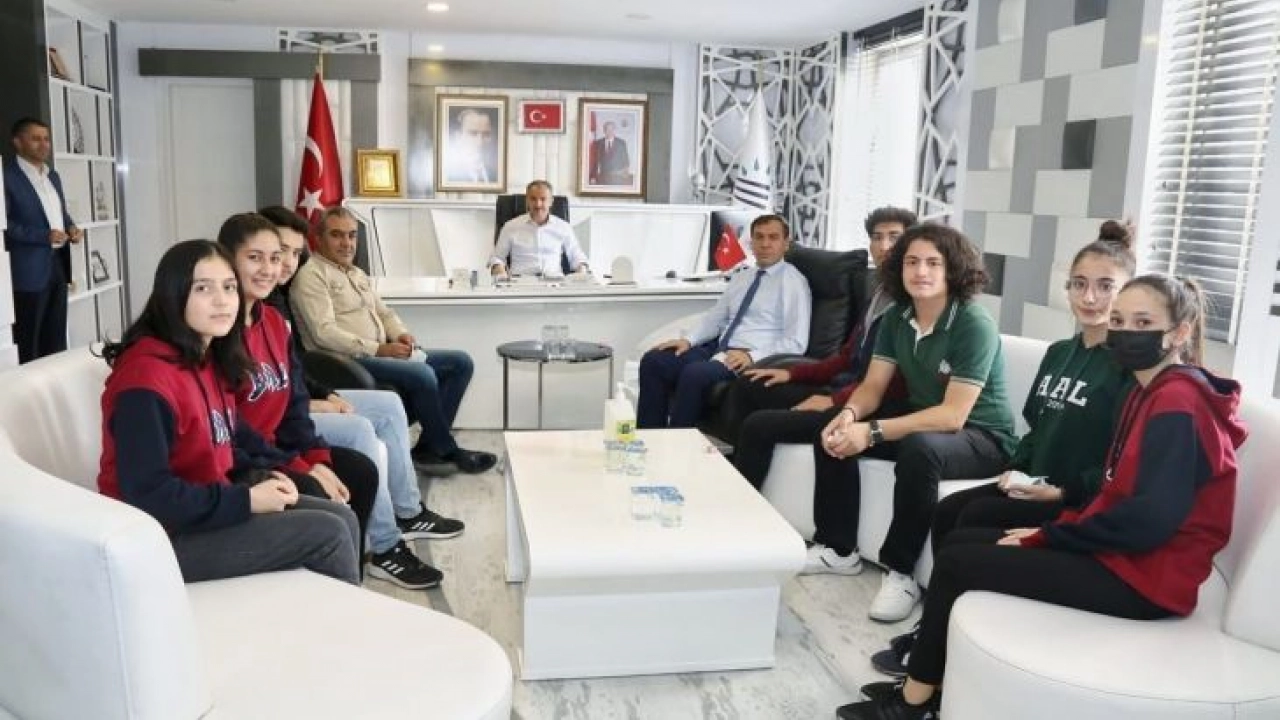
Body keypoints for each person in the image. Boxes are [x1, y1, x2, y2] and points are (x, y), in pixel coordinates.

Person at [839, 274, 1247, 720]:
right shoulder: (1149, 389)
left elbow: (1149, 521)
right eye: (1119, 321)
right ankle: (931, 684)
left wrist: (1050, 534)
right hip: (1122, 552)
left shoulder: (1178, 402)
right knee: (960, 538)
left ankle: (912, 706)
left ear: (1180, 332)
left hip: (1145, 578)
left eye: (1143, 322)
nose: (1126, 332)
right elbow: (1118, 487)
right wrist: (1058, 522)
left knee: (958, 561)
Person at [869, 219, 1137, 678]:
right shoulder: (1059, 353)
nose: (1090, 297)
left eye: (1105, 286)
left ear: (1127, 292)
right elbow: (1036, 429)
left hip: (1072, 498)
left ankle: (940, 641)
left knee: (970, 521)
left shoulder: (1128, 368)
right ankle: (940, 626)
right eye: (1079, 284)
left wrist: (1064, 491)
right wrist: (1015, 470)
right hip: (1034, 482)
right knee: (949, 511)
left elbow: (1124, 457)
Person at [97, 239, 359, 584]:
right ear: (173, 295)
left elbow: (235, 435)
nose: (222, 301)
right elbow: (149, 494)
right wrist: (246, 500)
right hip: (160, 539)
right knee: (329, 533)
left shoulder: (201, 357)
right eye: (203, 288)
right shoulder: (145, 381)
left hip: (206, 508)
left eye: (229, 287)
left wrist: (290, 469)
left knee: (342, 517)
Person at [816, 223, 1015, 622]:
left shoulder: (973, 323)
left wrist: (872, 431)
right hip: (926, 423)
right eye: (911, 262)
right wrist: (849, 415)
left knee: (919, 449)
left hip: (983, 437)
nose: (920, 271)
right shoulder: (896, 317)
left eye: (933, 263)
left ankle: (901, 573)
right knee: (835, 429)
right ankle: (838, 550)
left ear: (953, 269)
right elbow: (873, 387)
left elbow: (953, 415)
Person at [260, 204, 462, 589]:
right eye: (271, 254)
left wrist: (324, 393)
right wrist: (309, 400)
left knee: (391, 404)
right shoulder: (274, 299)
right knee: (362, 428)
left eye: (290, 254)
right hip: (340, 367)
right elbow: (316, 342)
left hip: (307, 393)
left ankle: (409, 511)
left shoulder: (274, 308)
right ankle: (385, 547)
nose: (282, 264)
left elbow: (291, 368)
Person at [215, 212, 380, 560]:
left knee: (360, 472)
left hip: (277, 450)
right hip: (239, 461)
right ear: (228, 259)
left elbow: (295, 404)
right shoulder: (217, 332)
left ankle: (351, 580)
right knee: (318, 495)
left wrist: (316, 457)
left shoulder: (275, 323)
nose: (268, 269)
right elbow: (231, 430)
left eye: (275, 258)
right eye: (255, 258)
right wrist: (300, 467)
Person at [289, 206, 497, 475]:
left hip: (377, 353)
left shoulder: (356, 273)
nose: (347, 243)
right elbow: (324, 332)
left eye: (352, 235)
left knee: (460, 362)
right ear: (318, 239)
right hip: (346, 361)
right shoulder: (312, 276)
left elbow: (385, 313)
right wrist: (380, 349)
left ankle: (428, 447)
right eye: (337, 235)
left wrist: (400, 334)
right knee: (423, 375)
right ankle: (446, 449)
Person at [729, 206, 916, 489]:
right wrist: (792, 373)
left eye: (894, 237)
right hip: (845, 390)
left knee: (758, 425)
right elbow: (846, 357)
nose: (884, 246)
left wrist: (834, 401)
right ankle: (731, 476)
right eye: (877, 237)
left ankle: (743, 500)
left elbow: (895, 383)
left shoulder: (912, 301)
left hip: (869, 406)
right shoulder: (878, 292)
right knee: (751, 384)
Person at [637, 213, 811, 429]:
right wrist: (688, 340)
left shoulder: (793, 282)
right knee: (654, 361)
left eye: (773, 237)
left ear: (786, 243)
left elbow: (796, 342)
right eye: (759, 237)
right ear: (751, 242)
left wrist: (752, 356)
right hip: (718, 348)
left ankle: (678, 443)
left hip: (747, 356)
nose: (765, 244)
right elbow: (717, 317)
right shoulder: (742, 277)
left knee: (694, 375)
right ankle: (649, 438)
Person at [4, 117, 82, 363]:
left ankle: (54, 383)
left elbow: (60, 213)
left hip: (58, 264)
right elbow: (6, 226)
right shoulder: (6, 177)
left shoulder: (52, 176)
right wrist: (43, 236)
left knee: (56, 336)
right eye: (35, 139)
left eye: (46, 139)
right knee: (29, 340)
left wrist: (71, 227)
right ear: (18, 142)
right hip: (28, 271)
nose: (44, 144)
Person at [489, 180, 588, 278]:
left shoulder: (563, 227)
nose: (538, 204)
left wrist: (581, 272)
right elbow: (497, 258)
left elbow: (578, 257)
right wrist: (500, 271)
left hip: (554, 281)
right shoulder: (510, 226)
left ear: (551, 201)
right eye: (533, 199)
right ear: (527, 201)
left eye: (543, 199)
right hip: (521, 282)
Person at [443, 107, 498, 184]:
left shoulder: (496, 175)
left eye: (486, 134)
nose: (480, 142)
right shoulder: (448, 175)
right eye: (473, 133)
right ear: (458, 137)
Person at [589, 121, 631, 186]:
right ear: (604, 131)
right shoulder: (598, 143)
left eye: (612, 129)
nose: (610, 131)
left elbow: (626, 160)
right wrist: (593, 176)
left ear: (614, 130)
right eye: (607, 129)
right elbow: (595, 161)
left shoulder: (621, 143)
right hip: (603, 176)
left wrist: (625, 173)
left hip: (617, 177)